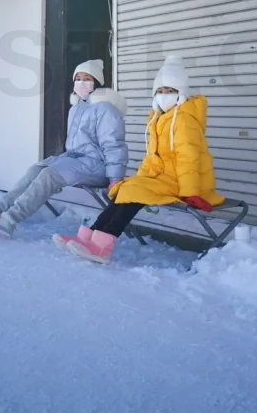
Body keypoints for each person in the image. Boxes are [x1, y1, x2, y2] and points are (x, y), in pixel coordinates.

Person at [53, 56, 223, 264]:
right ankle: (88, 238)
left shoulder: (185, 120)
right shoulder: (159, 118)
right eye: (160, 91)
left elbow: (189, 159)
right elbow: (153, 158)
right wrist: (140, 178)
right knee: (126, 187)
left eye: (170, 91)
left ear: (181, 93)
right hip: (165, 178)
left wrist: (191, 192)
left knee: (133, 192)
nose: (164, 96)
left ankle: (101, 248)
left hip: (185, 183)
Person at [0, 59, 127, 238]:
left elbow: (113, 144)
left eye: (87, 78)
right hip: (76, 161)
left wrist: (115, 177)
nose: (81, 82)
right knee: (36, 169)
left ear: (97, 83)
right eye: (78, 78)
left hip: (97, 166)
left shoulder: (105, 109)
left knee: (50, 175)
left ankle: (9, 221)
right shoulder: (77, 108)